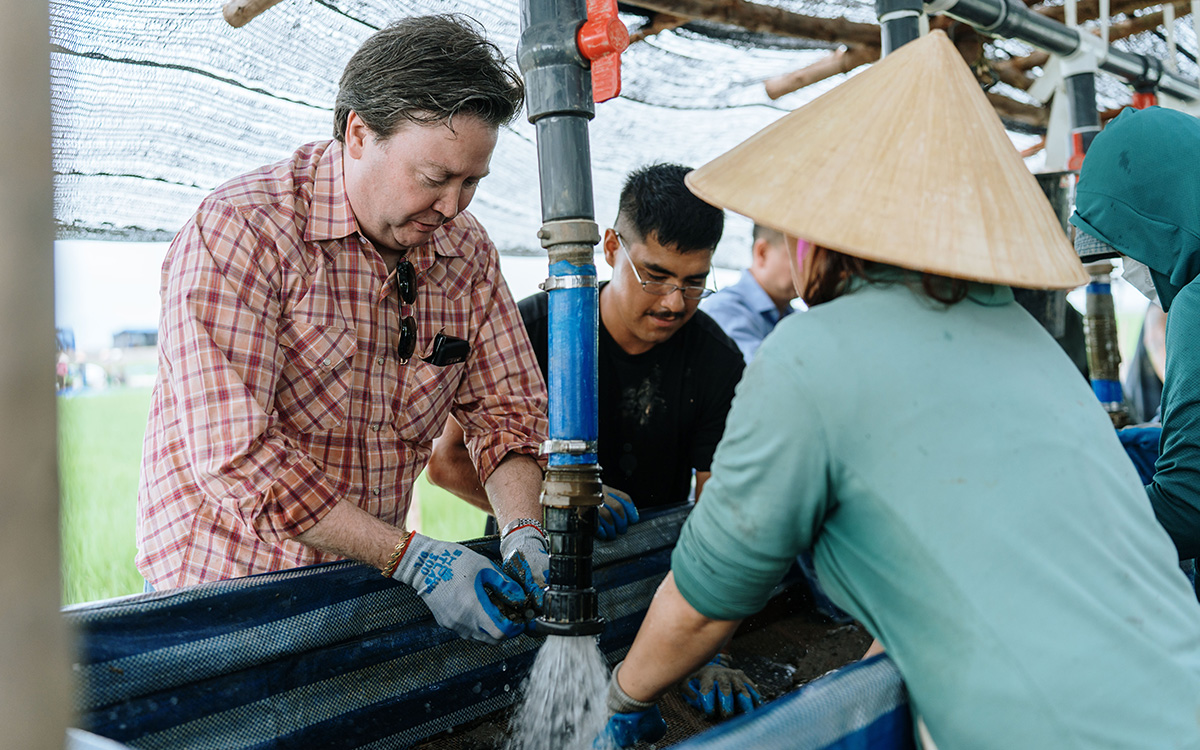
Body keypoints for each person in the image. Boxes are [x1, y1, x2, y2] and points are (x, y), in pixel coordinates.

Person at [600, 31, 1200, 749]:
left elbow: (706, 599)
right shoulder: (1020, 335)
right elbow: (976, 549)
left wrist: (623, 694)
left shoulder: (811, 353)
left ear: (819, 238)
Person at [135, 15, 551, 646]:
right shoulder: (244, 233)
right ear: (358, 134)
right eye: (434, 178)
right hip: (225, 597)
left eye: (471, 183)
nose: (452, 207)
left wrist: (522, 528)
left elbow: (507, 412)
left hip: (363, 583)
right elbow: (236, 456)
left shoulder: (466, 254)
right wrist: (411, 557)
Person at [427, 164, 757, 717]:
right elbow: (446, 463)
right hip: (532, 578)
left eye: (694, 282)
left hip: (648, 588)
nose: (674, 302)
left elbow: (724, 516)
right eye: (655, 275)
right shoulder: (530, 329)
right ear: (610, 247)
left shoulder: (717, 361)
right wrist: (553, 510)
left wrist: (709, 647)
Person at [1072, 106, 1200, 561]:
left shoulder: (1196, 304)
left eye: (1127, 249)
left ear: (1158, 221)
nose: (1128, 270)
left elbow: (1186, 511)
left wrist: (1062, 533)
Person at [701, 223, 798, 363]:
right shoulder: (725, 311)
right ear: (762, 253)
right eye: (800, 257)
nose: (812, 270)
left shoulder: (794, 316)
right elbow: (764, 372)